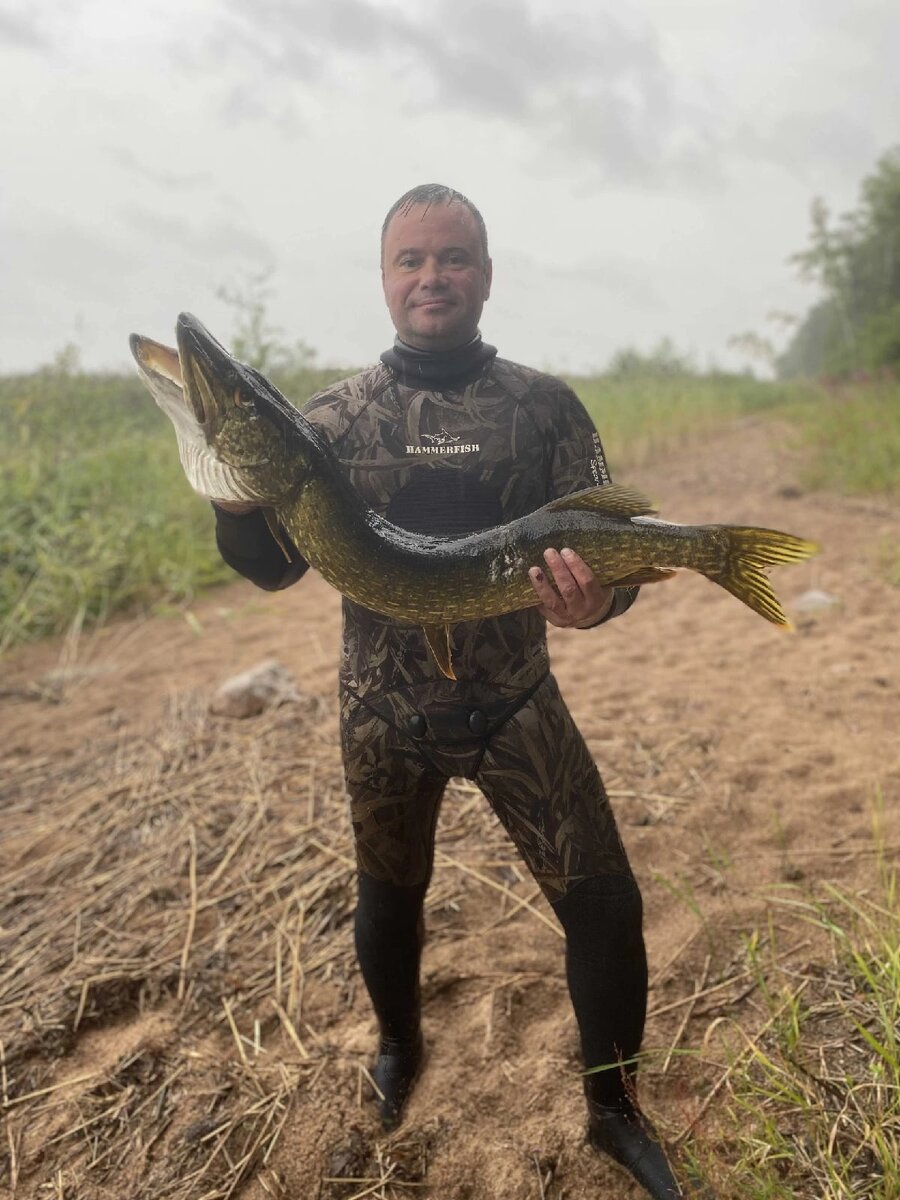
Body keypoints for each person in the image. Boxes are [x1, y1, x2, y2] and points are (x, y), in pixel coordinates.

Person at [212, 185, 705, 1199]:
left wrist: (593, 607)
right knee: (390, 896)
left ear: (486, 273)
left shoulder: (547, 407)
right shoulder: (331, 420)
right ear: (384, 278)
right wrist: (229, 493)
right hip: (380, 713)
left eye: (453, 258)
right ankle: (400, 1050)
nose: (431, 277)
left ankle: (612, 1111)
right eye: (410, 260)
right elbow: (268, 568)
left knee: (606, 905)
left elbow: (606, 572)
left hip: (517, 699)